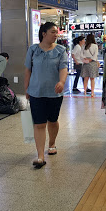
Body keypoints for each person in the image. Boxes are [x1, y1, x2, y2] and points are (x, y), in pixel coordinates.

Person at [25, 22, 68, 169]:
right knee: (39, 124)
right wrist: (26, 89)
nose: (56, 35)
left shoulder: (61, 50)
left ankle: (52, 143)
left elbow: (63, 68)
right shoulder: (32, 50)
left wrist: (62, 82)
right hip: (36, 92)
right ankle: (40, 156)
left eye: (57, 32)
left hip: (54, 93)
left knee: (53, 120)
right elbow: (28, 70)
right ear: (44, 33)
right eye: (53, 32)